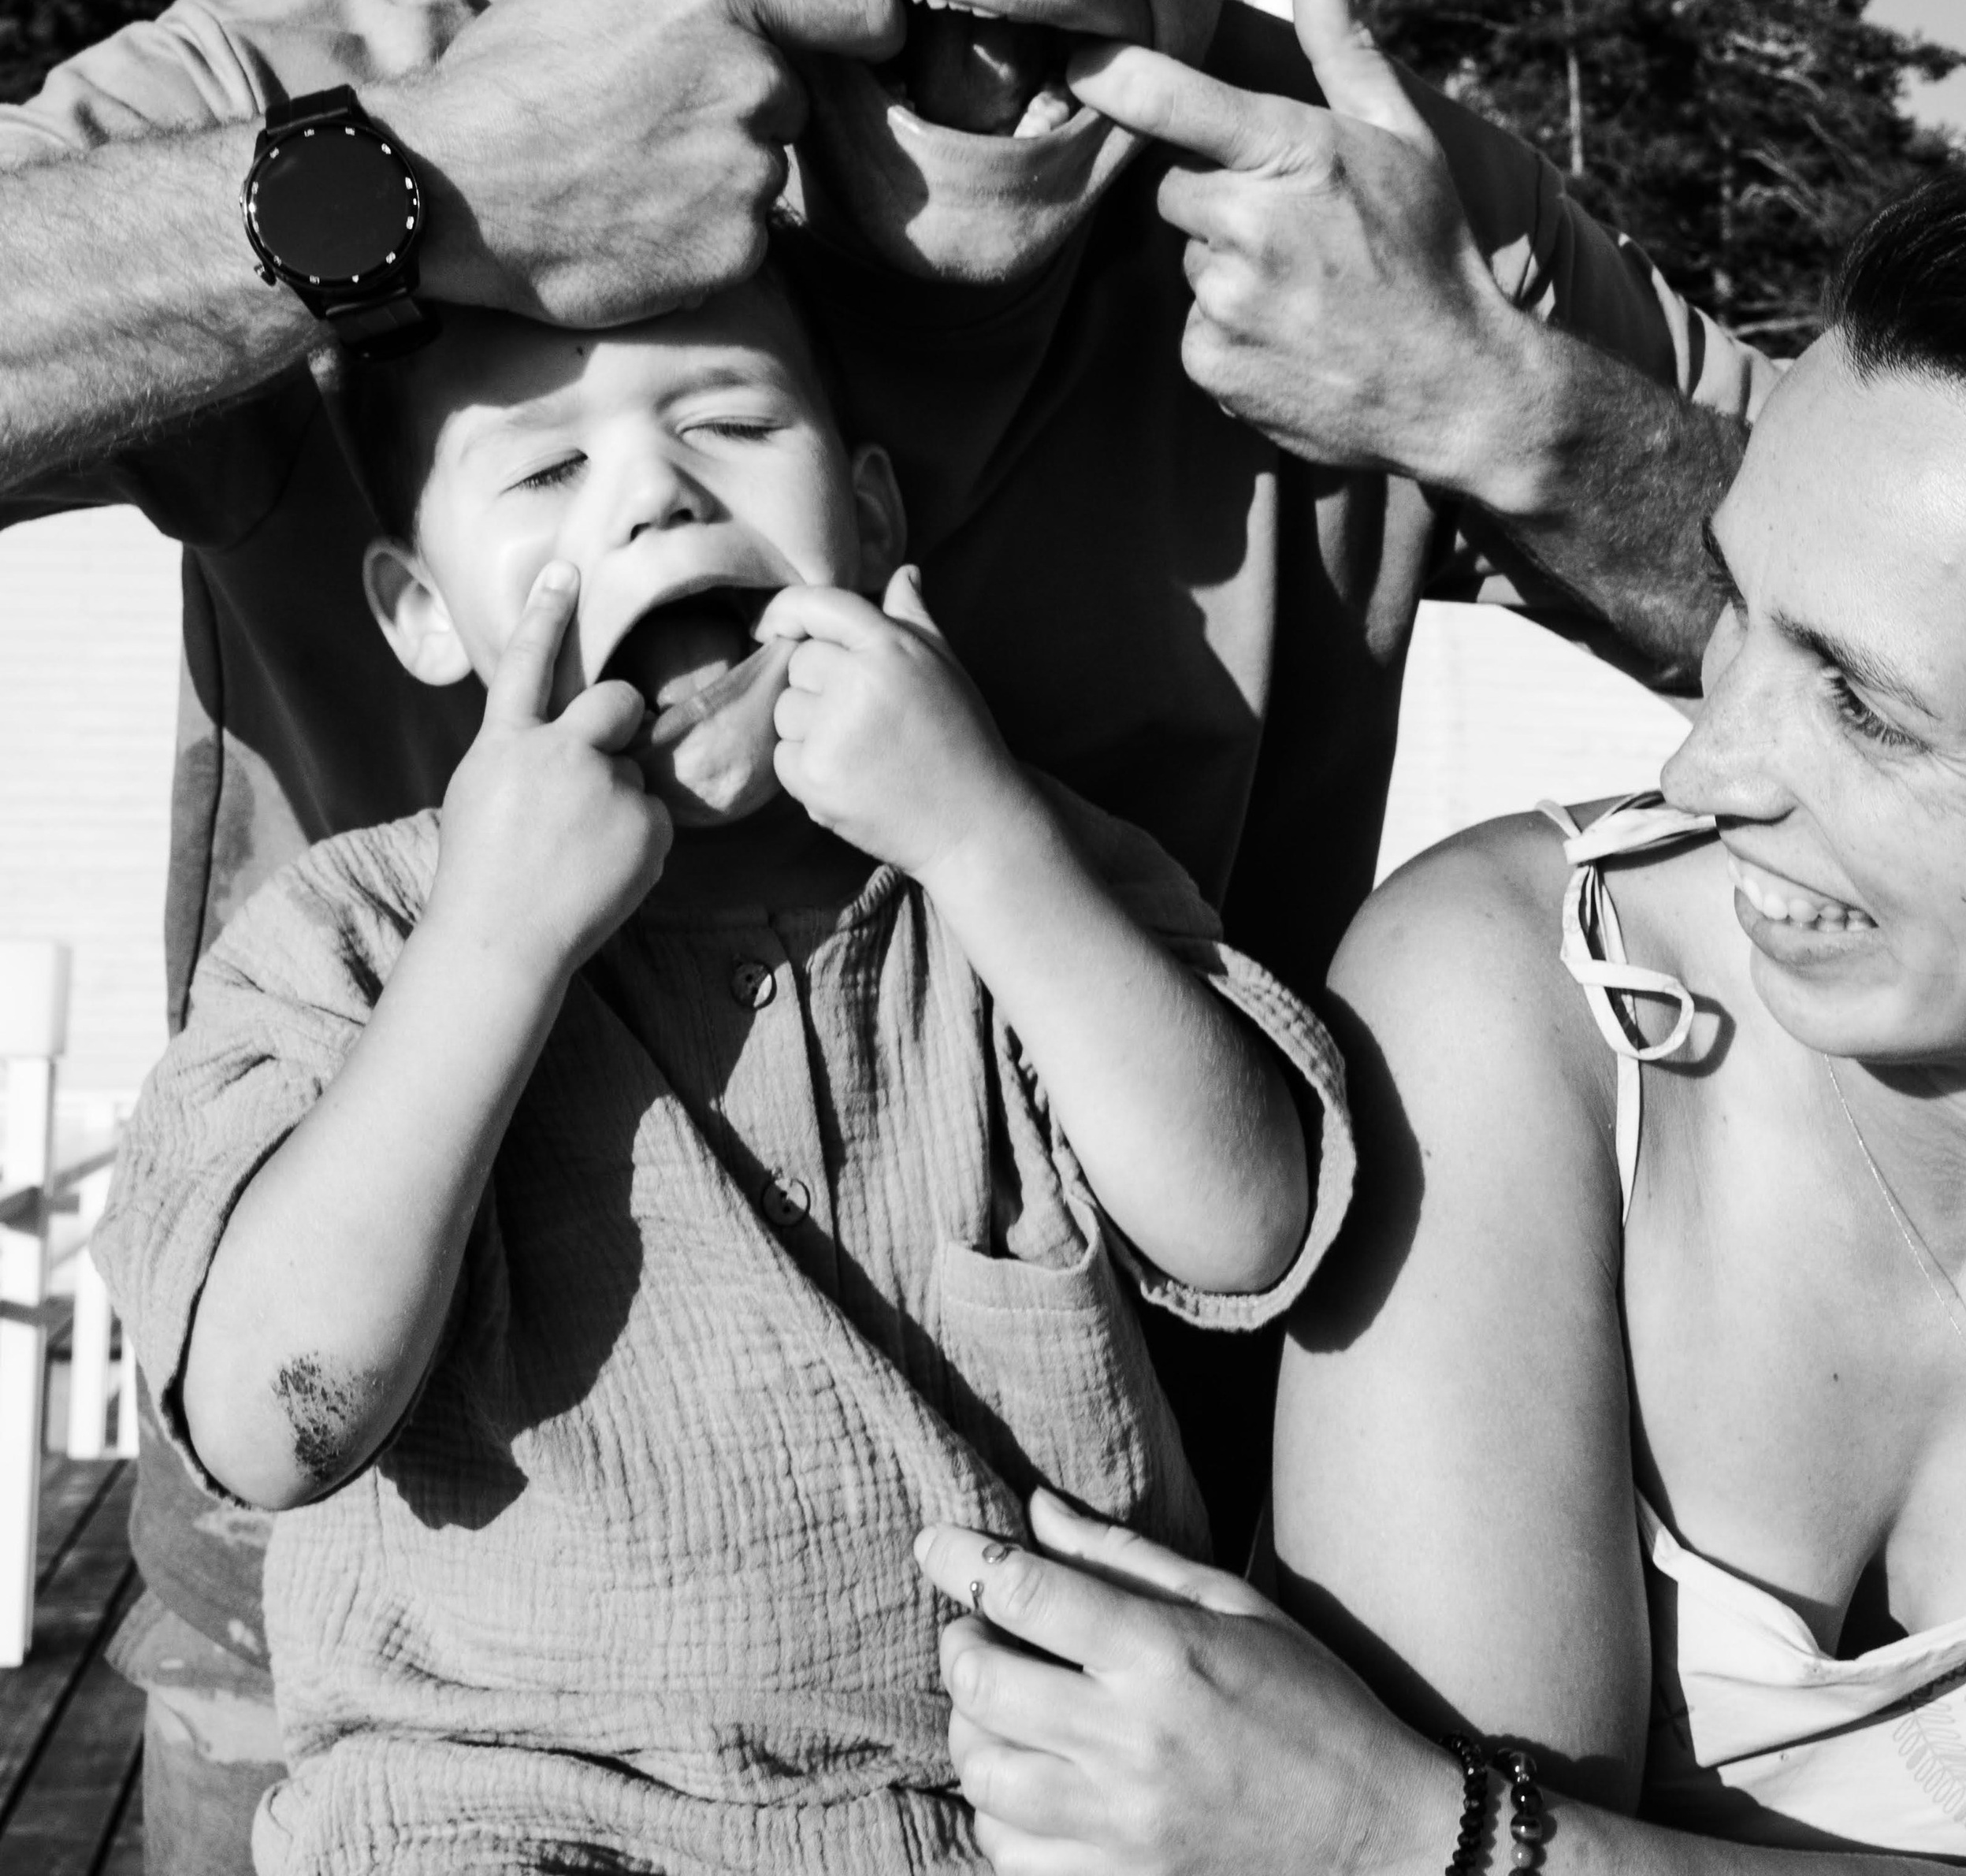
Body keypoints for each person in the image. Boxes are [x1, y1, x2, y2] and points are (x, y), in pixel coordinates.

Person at [0, 0, 1767, 1863]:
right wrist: (407, 210)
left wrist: (1508, 409)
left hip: (1112, 1697)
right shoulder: (356, 107)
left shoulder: (1381, 222)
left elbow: (1952, 649)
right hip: (393, 1680)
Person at [97, 277, 1351, 1871]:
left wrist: (978, 839)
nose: (657, 488)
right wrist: (494, 944)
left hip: (1030, 1818)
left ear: (872, 510)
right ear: (419, 610)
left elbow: (1247, 1224)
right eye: (548, 471)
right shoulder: (352, 938)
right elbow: (279, 1424)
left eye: (730, 422)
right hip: (508, 1810)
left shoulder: (1023, 876)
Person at [918, 162, 1966, 1870]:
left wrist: (1399, 1829)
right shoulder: (1522, 994)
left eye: (1865, 706)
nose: (1700, 766)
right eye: (1731, 609)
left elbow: (1395, 1833)